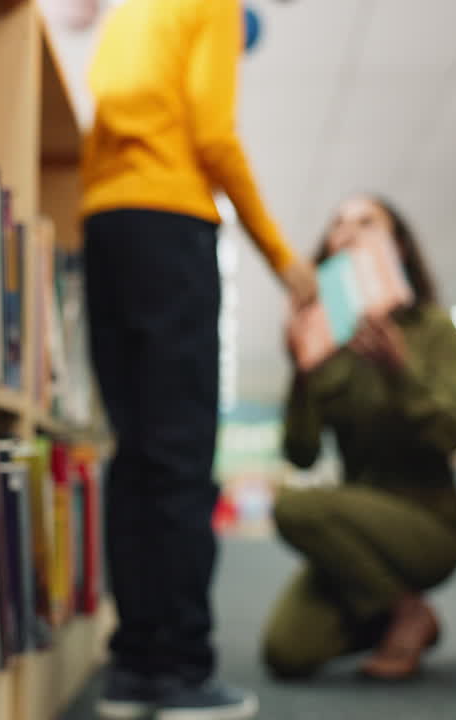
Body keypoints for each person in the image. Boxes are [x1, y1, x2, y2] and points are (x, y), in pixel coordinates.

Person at [80, 0, 317, 717]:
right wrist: (281, 254)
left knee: (135, 453)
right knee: (180, 457)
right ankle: (183, 672)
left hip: (106, 225)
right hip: (170, 222)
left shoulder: (133, 11)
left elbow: (107, 103)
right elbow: (214, 134)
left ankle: (135, 668)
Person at [262, 194, 456, 682]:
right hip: (350, 527)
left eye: (367, 222)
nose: (350, 231)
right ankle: (401, 611)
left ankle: (402, 613)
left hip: (427, 524)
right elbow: (302, 453)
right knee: (286, 653)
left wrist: (399, 373)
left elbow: (453, 435)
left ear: (397, 245)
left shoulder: (433, 329)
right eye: (339, 224)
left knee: (294, 507)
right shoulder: (325, 341)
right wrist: (299, 373)